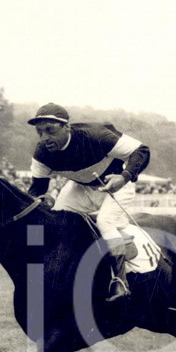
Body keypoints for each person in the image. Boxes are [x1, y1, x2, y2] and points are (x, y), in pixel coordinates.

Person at [26, 103, 150, 300]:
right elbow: (38, 189)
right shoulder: (42, 153)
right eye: (39, 132)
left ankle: (120, 281)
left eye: (50, 130)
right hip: (81, 187)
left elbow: (142, 150)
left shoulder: (96, 135)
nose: (44, 138)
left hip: (115, 184)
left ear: (66, 127)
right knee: (57, 218)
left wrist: (124, 177)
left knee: (105, 221)